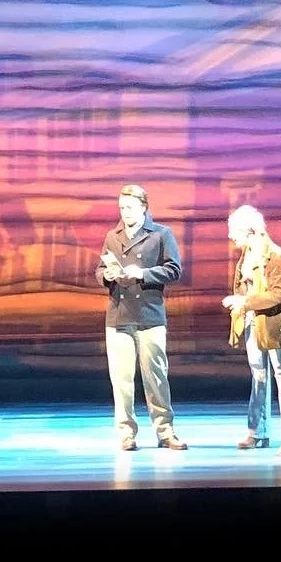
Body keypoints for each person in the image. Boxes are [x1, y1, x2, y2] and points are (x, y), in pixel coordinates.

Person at [98, 184, 188, 451]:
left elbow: (174, 270)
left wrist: (143, 273)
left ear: (143, 207)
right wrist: (107, 275)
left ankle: (165, 431)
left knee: (156, 377)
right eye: (121, 208)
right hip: (119, 316)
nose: (124, 212)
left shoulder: (161, 234)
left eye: (129, 207)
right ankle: (126, 433)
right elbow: (100, 269)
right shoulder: (112, 236)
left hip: (149, 315)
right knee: (122, 380)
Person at [222, 203, 281, 454]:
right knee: (258, 375)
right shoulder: (246, 255)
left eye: (234, 231)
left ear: (249, 230)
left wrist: (244, 302)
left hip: (275, 322)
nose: (231, 236)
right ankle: (257, 432)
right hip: (253, 322)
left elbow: (278, 293)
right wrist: (240, 304)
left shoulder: (275, 255)